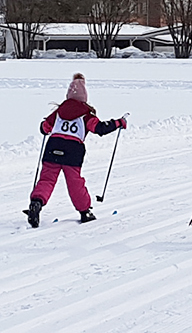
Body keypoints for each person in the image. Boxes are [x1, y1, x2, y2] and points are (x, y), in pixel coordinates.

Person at [26, 72, 126, 227]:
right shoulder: (86, 114)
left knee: (47, 179)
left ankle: (37, 202)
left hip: (52, 147)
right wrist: (119, 122)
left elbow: (45, 128)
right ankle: (85, 211)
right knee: (75, 183)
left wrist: (43, 127)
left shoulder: (59, 111)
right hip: (73, 151)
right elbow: (100, 128)